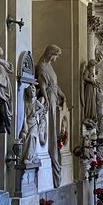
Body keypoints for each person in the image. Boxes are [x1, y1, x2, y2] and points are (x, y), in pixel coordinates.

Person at [36, 44, 65, 187]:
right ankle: (53, 159)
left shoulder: (49, 66)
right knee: (52, 128)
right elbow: (42, 86)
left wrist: (62, 94)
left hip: (54, 96)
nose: (56, 58)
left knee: (57, 128)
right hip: (49, 98)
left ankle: (56, 159)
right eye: (56, 55)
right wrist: (47, 101)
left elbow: (55, 84)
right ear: (50, 53)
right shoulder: (41, 66)